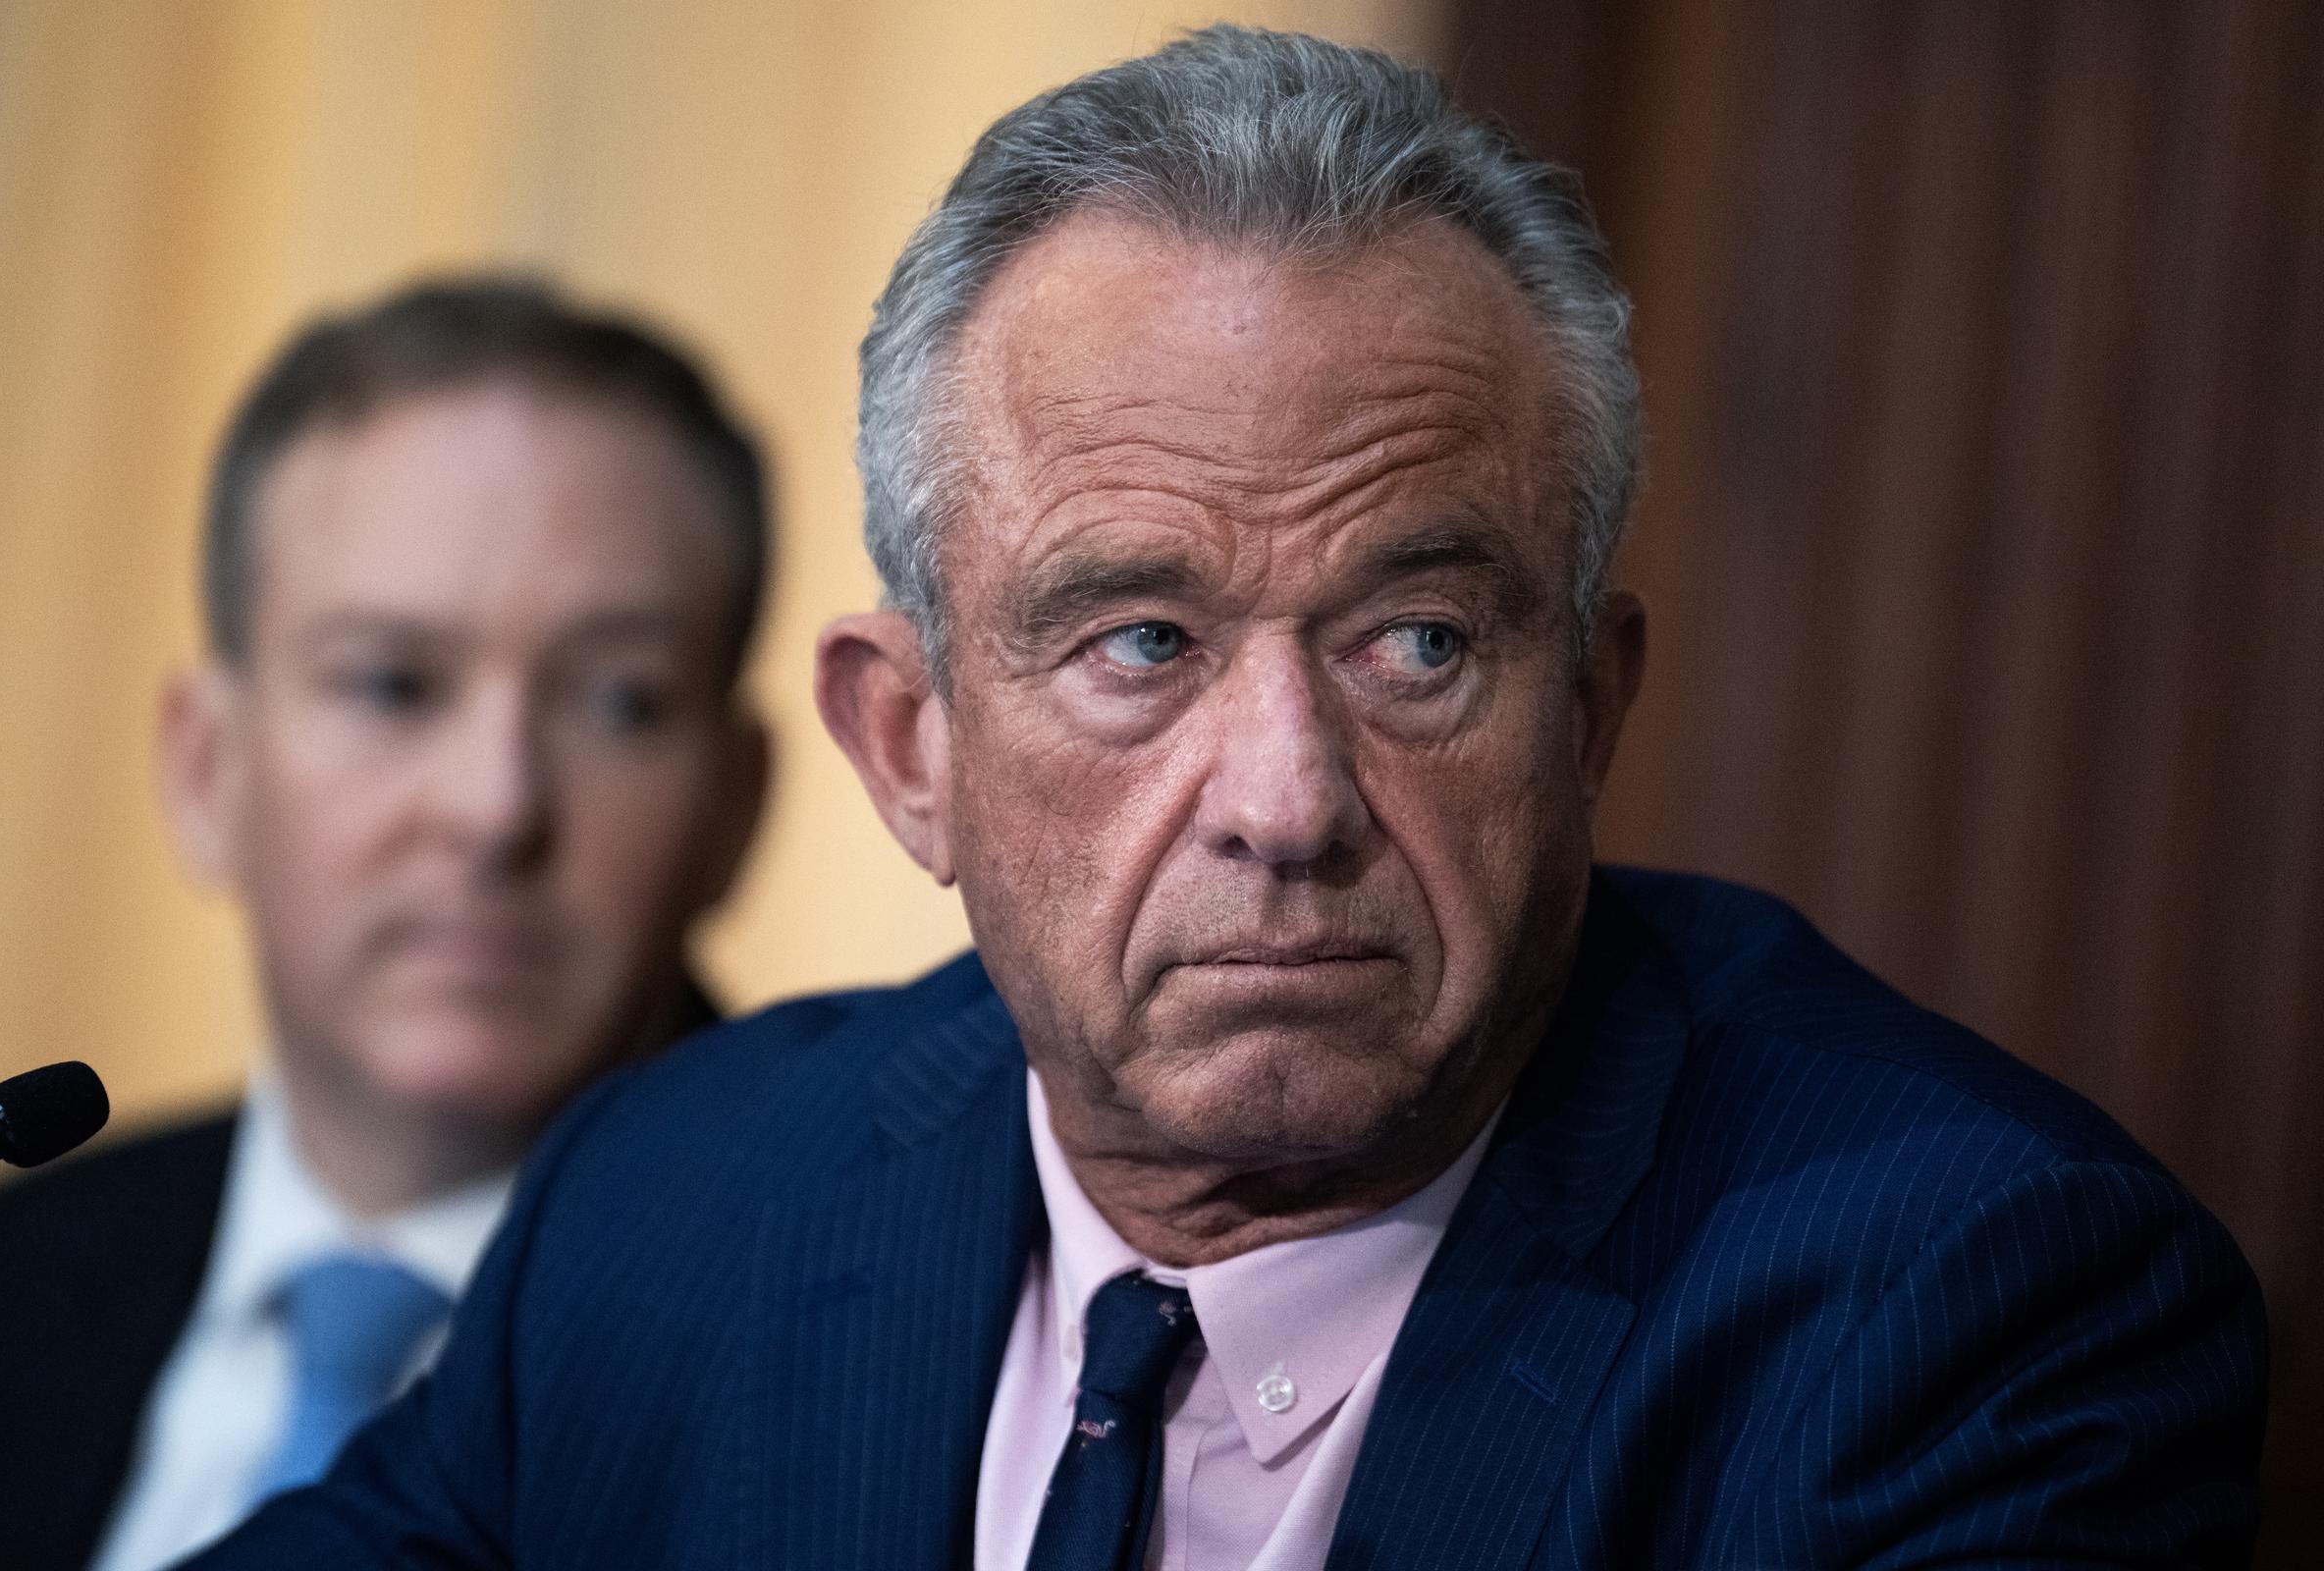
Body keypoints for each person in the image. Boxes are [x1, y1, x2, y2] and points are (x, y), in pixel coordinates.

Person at [181, 28, 2264, 1571]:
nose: (1286, 799)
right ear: (909, 745)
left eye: (1418, 644)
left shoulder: (1973, 1309)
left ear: (1592, 704)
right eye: (1139, 644)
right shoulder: (683, 1195)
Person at [0, 277, 770, 1571]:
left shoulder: (884, 1363)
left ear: (737, 807)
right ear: (205, 771)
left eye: (619, 703)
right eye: (393, 684)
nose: (494, 807)